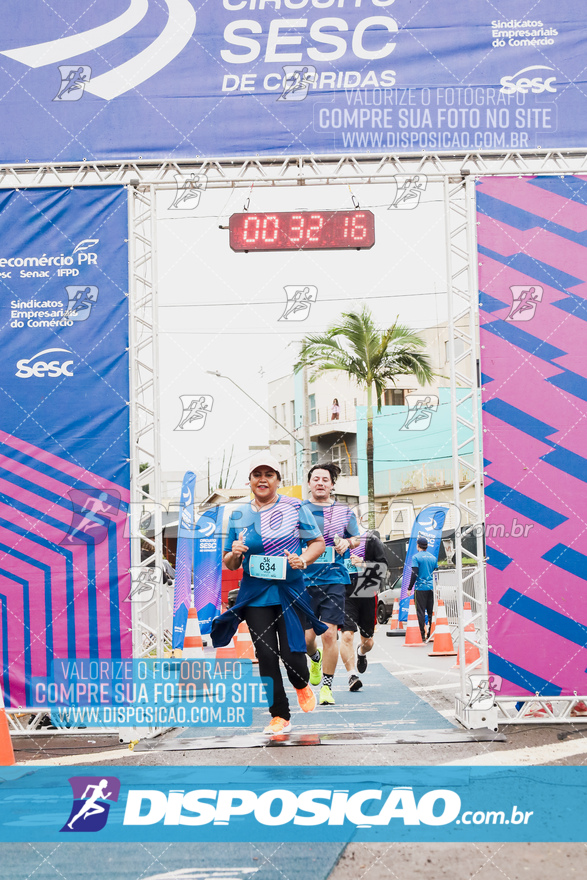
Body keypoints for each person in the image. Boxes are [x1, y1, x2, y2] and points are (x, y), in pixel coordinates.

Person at [211, 452, 326, 735]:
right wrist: (234, 554)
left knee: (293, 655)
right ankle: (279, 715)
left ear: (278, 480)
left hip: (289, 590)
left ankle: (301, 684)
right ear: (250, 480)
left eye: (269, 475)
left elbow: (318, 542)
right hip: (255, 593)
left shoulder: (295, 507)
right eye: (257, 475)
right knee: (265, 654)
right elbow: (229, 560)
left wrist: (303, 559)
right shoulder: (238, 513)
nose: (263, 480)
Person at [301, 463, 360, 705]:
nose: (321, 483)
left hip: (334, 578)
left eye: (325, 479)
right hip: (304, 579)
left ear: (332, 485)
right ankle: (314, 658)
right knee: (306, 639)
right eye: (316, 479)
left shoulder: (344, 511)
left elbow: (356, 537)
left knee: (329, 634)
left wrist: (348, 544)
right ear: (309, 483)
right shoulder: (298, 510)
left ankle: (327, 688)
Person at [341, 529, 388, 691]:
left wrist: (363, 563)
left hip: (367, 590)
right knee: (347, 635)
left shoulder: (372, 540)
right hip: (345, 592)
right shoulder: (337, 539)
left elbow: (383, 567)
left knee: (368, 642)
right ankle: (352, 676)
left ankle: (361, 653)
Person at [408, 536, 437, 641]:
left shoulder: (416, 557)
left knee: (420, 611)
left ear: (418, 545)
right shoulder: (433, 558)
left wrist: (409, 587)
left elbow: (414, 573)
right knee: (430, 611)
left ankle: (421, 634)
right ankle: (430, 632)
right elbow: (435, 572)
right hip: (431, 587)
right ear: (427, 546)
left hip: (420, 588)